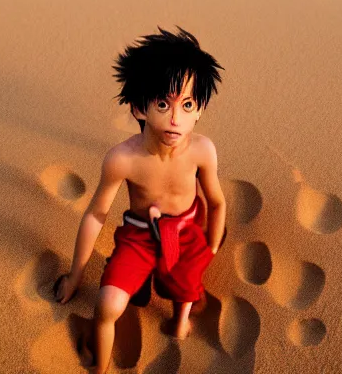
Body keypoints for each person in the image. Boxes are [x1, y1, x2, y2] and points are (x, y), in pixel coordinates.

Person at [54, 26, 227, 373]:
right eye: (163, 103)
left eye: (187, 104)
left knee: (186, 288)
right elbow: (96, 215)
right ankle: (100, 367)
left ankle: (180, 321)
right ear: (139, 108)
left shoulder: (203, 151)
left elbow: (217, 201)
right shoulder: (122, 159)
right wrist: (75, 275)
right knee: (106, 305)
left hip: (187, 232)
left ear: (200, 110)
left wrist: (208, 248)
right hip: (139, 237)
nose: (175, 118)